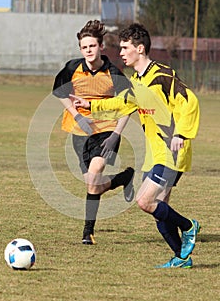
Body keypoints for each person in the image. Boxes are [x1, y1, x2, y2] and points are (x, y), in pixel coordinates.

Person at [72, 23, 200, 268]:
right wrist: (92, 106)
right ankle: (181, 257)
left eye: (125, 47)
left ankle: (189, 226)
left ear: (140, 49)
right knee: (158, 207)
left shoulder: (162, 75)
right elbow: (123, 103)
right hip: (156, 153)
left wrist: (181, 134)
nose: (120, 52)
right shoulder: (137, 80)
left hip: (172, 151)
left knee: (144, 201)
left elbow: (190, 102)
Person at [52, 20, 135, 245]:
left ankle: (87, 232)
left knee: (97, 169)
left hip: (106, 131)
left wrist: (116, 134)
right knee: (92, 184)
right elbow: (59, 91)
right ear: (81, 49)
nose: (88, 50)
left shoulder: (114, 73)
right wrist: (76, 114)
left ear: (101, 47)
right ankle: (123, 178)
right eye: (84, 47)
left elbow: (129, 103)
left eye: (92, 46)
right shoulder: (72, 68)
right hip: (79, 132)